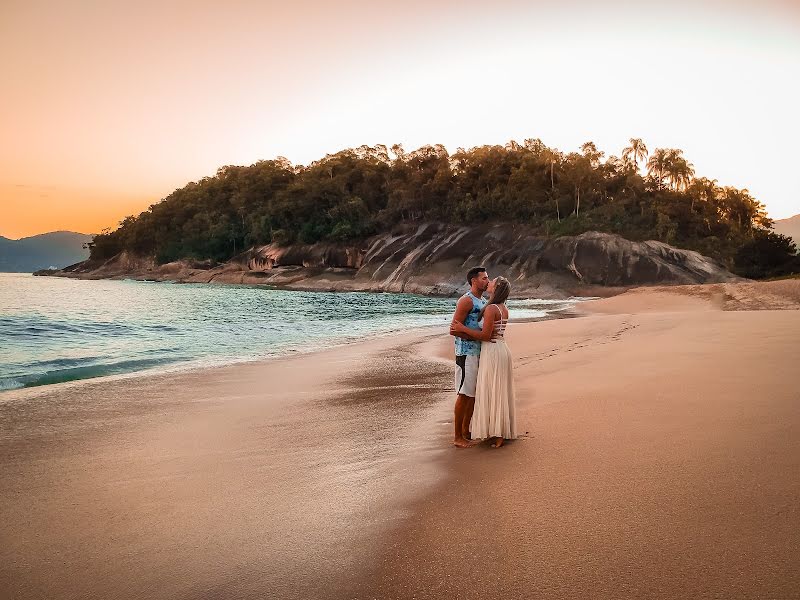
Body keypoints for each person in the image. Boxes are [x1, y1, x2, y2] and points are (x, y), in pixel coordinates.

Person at [450, 276, 517, 448]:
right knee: (500, 390)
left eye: (492, 281)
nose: (489, 283)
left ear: (497, 287)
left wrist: (462, 328)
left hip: (492, 350)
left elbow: (486, 336)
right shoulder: (503, 308)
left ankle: (497, 433)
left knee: (494, 391)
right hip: (501, 349)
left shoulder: (491, 308)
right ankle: (500, 431)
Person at [449, 266, 489, 448]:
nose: (487, 281)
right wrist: (475, 336)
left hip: (479, 352)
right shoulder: (466, 301)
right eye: (484, 278)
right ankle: (457, 437)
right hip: (466, 352)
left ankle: (466, 431)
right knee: (464, 394)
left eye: (487, 278)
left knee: (472, 395)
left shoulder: (484, 301)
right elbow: (453, 329)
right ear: (474, 280)